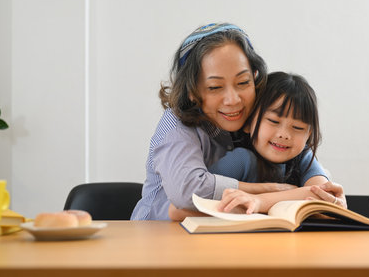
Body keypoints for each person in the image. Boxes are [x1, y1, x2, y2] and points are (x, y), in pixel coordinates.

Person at [131, 23, 345, 220]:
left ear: (255, 77)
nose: (233, 100)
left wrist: (322, 190)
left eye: (243, 82)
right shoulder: (176, 124)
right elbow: (186, 194)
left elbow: (320, 185)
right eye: (215, 87)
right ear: (192, 91)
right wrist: (271, 191)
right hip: (155, 234)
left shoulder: (256, 117)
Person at [215, 72, 346, 214]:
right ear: (248, 122)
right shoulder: (240, 160)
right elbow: (199, 193)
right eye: (273, 121)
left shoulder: (304, 158)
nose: (284, 135)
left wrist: (259, 201)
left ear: (308, 134)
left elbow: (321, 194)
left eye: (298, 127)